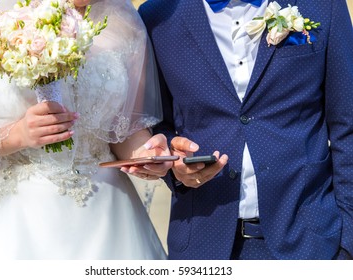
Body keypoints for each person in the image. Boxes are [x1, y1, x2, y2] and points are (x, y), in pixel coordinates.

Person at [139, 0, 353, 259]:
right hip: (204, 246)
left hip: (311, 243)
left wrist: (347, 247)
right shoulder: (157, 16)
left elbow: (347, 127)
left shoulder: (323, 5)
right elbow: (157, 121)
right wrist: (175, 167)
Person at [0, 0, 172, 259]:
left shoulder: (125, 20)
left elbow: (125, 130)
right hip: (17, 216)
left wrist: (146, 154)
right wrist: (18, 134)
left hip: (105, 213)